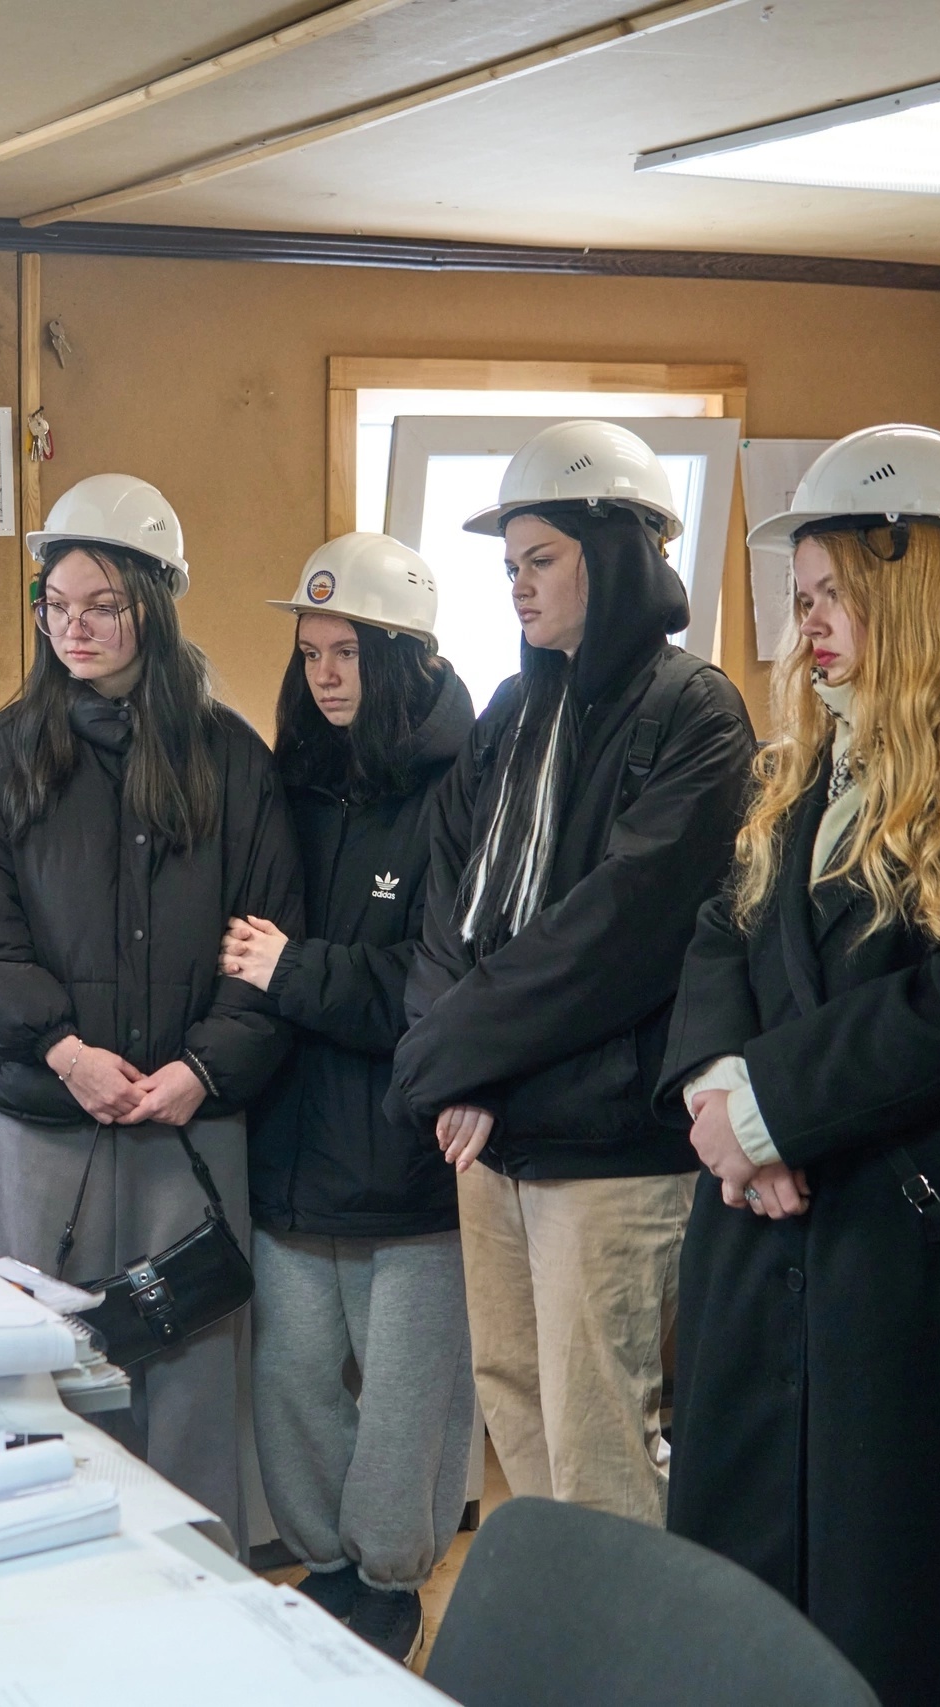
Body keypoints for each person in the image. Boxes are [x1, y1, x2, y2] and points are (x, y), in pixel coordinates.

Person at [659, 424, 940, 1707]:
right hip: (770, 1243)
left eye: (831, 596)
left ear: (913, 583)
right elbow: (722, 932)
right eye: (800, 597)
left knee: (919, 1621)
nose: (805, 627)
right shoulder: (809, 762)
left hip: (925, 1270)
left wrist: (769, 1107)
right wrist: (716, 1093)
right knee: (754, 1611)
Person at [387, 420, 756, 1524]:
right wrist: (455, 1071)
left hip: (607, 1152)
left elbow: (615, 936)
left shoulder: (696, 712)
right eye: (509, 565)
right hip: (493, 1136)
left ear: (616, 555)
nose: (517, 585)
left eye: (539, 559)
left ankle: (632, 1635)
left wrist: (452, 1057)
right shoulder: (513, 711)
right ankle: (560, 1625)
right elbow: (447, 905)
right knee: (516, 1409)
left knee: (601, 1445)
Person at [0, 472, 302, 1544]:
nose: (75, 629)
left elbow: (270, 939)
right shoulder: (3, 756)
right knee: (57, 1375)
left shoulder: (230, 760)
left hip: (192, 1122)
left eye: (102, 605)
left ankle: (200, 1595)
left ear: (156, 603)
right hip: (50, 1117)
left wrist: (204, 1067)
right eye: (56, 605)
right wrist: (63, 1049)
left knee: (193, 1379)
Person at [218, 533, 476, 1661]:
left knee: (409, 1402)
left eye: (349, 653)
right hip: (290, 1147)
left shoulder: (460, 789)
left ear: (403, 656)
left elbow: (434, 987)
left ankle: (389, 1583)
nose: (325, 676)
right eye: (311, 652)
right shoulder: (293, 782)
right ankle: (325, 1568)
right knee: (291, 1381)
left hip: (406, 1159)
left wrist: (293, 971)